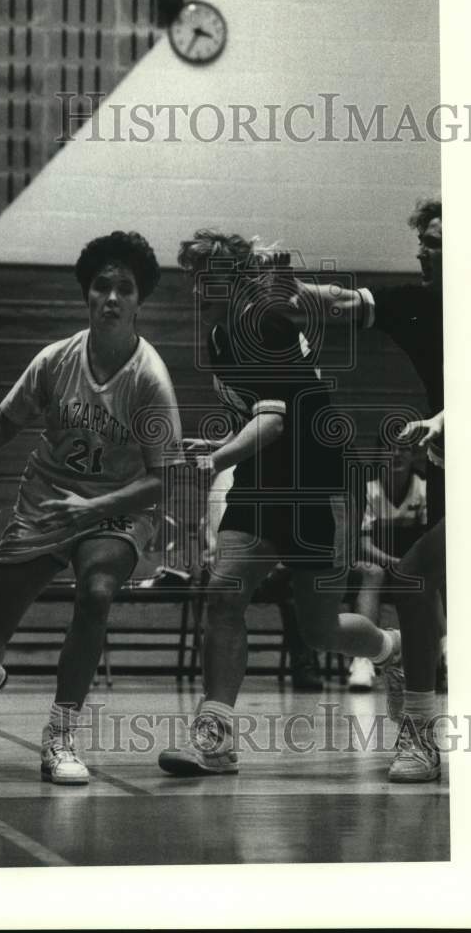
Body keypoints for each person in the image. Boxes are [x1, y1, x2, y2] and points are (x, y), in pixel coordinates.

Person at [0, 231, 182, 785]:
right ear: (87, 295)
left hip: (117, 506)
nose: (112, 297)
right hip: (46, 497)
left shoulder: (150, 381)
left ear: (140, 301)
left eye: (125, 289)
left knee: (97, 593)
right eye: (102, 286)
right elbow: (1, 427)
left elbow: (163, 480)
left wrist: (92, 511)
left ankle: (61, 734)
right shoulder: (54, 361)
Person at [158, 230, 402, 777]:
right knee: (224, 595)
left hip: (318, 485)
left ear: (235, 276)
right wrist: (222, 451)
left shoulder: (260, 325)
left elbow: (274, 417)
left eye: (211, 271)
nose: (200, 282)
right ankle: (215, 739)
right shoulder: (224, 330)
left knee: (321, 631)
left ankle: (391, 650)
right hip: (265, 481)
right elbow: (260, 418)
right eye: (194, 273)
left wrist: (216, 459)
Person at [283, 197, 446, 781]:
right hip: (459, 471)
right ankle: (421, 735)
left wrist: (445, 420)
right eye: (423, 239)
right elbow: (344, 303)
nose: (423, 250)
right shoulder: (415, 304)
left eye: (437, 242)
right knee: (415, 579)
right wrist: (282, 287)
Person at [348, 437, 435, 692]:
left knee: (436, 572)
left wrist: (408, 565)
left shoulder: (424, 489)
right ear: (379, 456)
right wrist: (396, 563)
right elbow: (362, 546)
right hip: (380, 562)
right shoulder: (368, 491)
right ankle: (362, 659)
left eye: (404, 449)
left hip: (412, 566)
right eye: (390, 449)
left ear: (413, 456)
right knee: (372, 572)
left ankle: (443, 653)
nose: (396, 455)